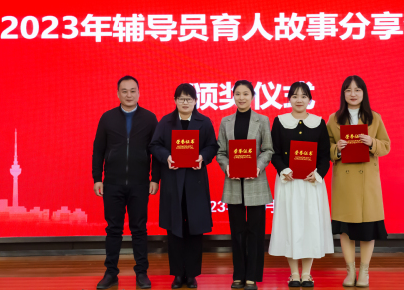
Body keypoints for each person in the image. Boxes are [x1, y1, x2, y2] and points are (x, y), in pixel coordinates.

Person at [92, 75, 160, 290]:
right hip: (112, 183)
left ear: (139, 93)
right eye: (124, 91)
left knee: (139, 229)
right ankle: (111, 273)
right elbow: (98, 150)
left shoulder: (149, 118)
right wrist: (97, 178)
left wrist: (155, 178)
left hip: (140, 183)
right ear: (118, 93)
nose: (129, 95)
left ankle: (142, 273)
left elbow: (156, 151)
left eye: (133, 91)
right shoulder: (107, 118)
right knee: (113, 229)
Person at [149, 83, 219, 289]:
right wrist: (167, 157)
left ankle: (192, 274)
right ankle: (178, 274)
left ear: (196, 101)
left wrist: (202, 157)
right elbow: (154, 145)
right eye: (181, 98)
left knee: (195, 230)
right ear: (175, 101)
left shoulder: (204, 122)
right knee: (175, 229)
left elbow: (212, 146)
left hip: (195, 182)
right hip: (173, 182)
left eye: (189, 99)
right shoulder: (165, 122)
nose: (185, 102)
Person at [326, 75, 390, 288]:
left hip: (367, 182)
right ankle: (350, 271)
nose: (353, 94)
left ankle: (364, 271)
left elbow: (386, 145)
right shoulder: (334, 119)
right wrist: (337, 149)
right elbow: (326, 147)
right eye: (348, 90)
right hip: (344, 182)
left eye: (357, 90)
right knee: (346, 229)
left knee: (367, 229)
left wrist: (372, 142)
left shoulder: (374, 117)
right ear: (343, 94)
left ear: (364, 93)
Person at [268, 82, 333, 288]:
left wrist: (318, 174)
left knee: (310, 226)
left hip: (311, 183)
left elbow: (325, 155)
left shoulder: (319, 122)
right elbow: (274, 152)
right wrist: (283, 169)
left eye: (304, 96)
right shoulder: (280, 121)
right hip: (288, 182)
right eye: (295, 96)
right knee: (290, 225)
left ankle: (307, 273)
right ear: (289, 99)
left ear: (309, 100)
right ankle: (294, 273)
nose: (299, 100)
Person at [216, 80, 274, 290]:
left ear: (252, 96)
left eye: (246, 93)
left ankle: (252, 276)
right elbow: (221, 152)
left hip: (256, 182)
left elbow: (268, 149)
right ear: (233, 96)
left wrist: (258, 166)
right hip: (233, 183)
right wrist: (227, 167)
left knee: (256, 232)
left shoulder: (262, 120)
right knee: (237, 232)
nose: (241, 97)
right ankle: (238, 275)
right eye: (238, 94)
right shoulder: (226, 121)